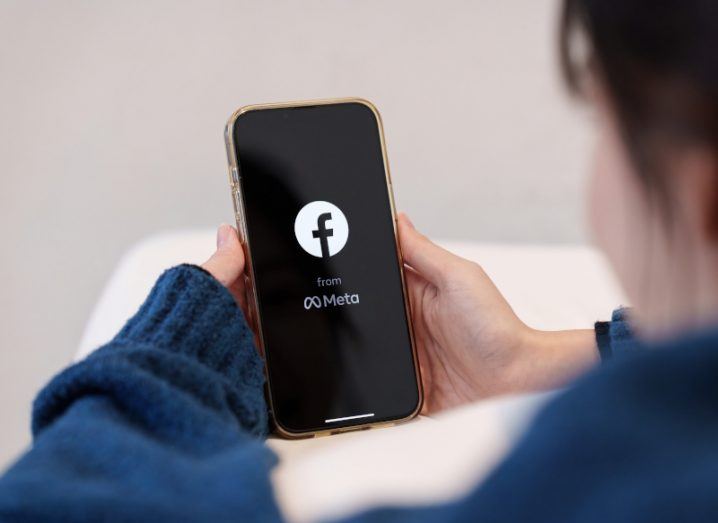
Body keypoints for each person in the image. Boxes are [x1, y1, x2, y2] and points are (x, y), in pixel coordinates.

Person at [2, 0, 718, 520]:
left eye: (602, 122)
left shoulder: (614, 471)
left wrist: (175, 354)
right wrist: (523, 364)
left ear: (704, 196)